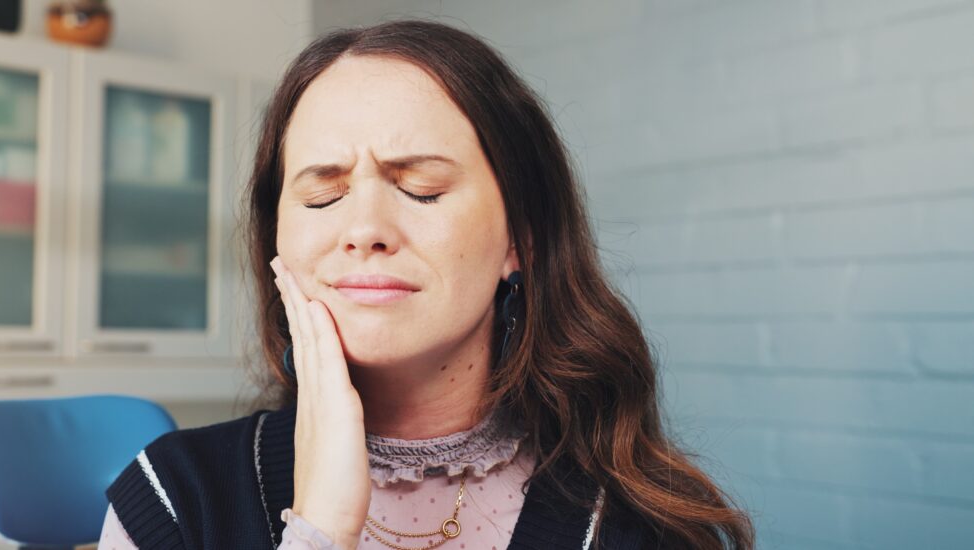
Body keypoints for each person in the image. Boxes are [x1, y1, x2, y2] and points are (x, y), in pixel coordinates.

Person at [99, 19, 754, 550]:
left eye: (421, 188)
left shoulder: (637, 526)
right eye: (322, 196)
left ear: (519, 238)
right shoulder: (174, 500)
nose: (363, 228)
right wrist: (321, 531)